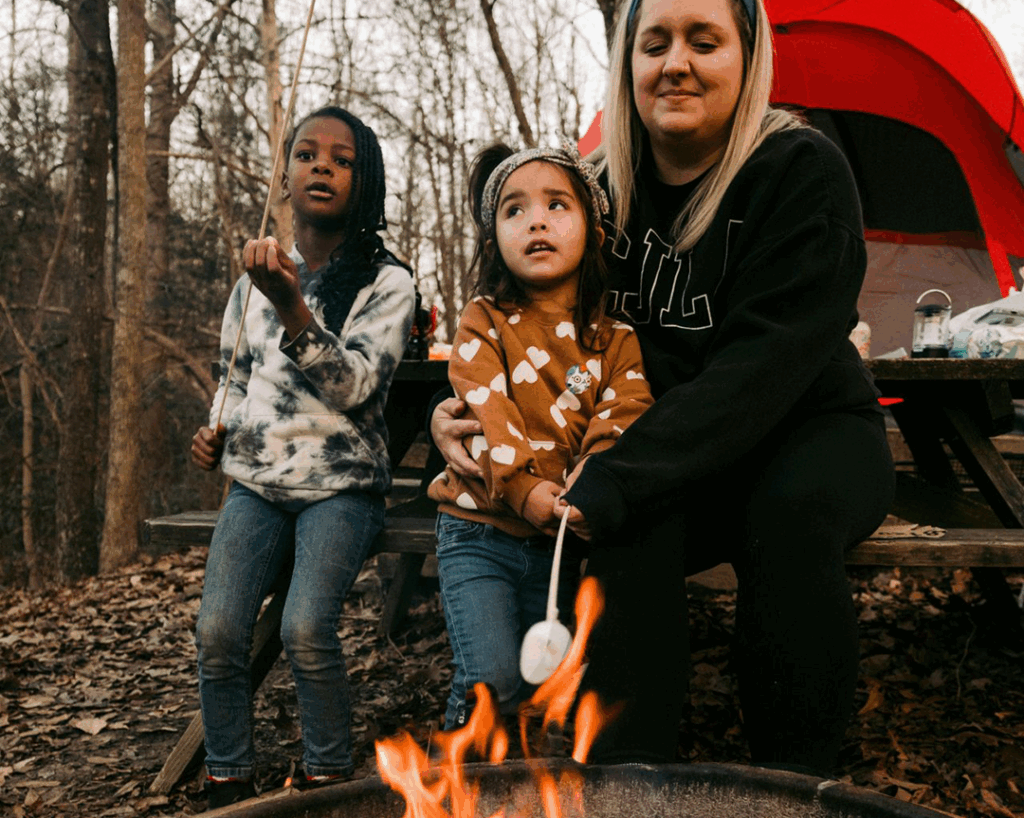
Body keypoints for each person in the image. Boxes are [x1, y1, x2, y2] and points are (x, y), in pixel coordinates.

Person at [432, 0, 894, 776]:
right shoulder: (598, 192)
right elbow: (529, 332)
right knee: (624, 528)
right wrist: (461, 417)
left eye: (703, 41)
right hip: (662, 445)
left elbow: (765, 367)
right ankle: (625, 780)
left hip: (807, 428)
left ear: (748, 59)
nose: (675, 61)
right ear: (628, 64)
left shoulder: (800, 171)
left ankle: (795, 783)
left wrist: (622, 474)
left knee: (783, 518)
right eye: (655, 43)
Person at [190, 106, 415, 809]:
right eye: (308, 154)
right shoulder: (252, 280)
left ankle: (328, 777)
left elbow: (351, 388)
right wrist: (215, 427)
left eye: (342, 159)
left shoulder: (387, 283)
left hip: (342, 486)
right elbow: (233, 374)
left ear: (364, 179)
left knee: (305, 626)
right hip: (256, 481)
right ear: (285, 174)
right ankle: (228, 774)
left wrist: (293, 304)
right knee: (219, 629)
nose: (322, 166)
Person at [427, 142, 655, 730]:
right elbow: (485, 409)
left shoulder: (615, 340)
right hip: (478, 531)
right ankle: (453, 785)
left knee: (534, 685)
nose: (537, 220)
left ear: (594, 232)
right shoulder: (485, 320)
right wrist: (525, 487)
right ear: (494, 239)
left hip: (557, 546)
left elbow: (625, 410)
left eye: (558, 206)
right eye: (514, 210)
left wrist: (597, 472)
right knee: (489, 677)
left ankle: (514, 788)